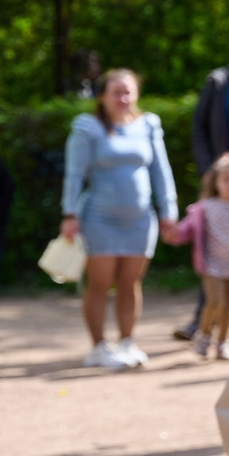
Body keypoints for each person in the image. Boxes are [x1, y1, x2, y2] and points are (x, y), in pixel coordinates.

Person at [62, 66, 179, 370]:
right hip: (100, 219)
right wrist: (69, 213)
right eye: (116, 92)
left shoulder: (148, 125)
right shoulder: (88, 127)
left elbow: (160, 171)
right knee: (99, 283)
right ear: (102, 97)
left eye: (127, 91)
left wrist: (169, 211)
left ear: (136, 94)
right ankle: (99, 347)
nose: (123, 98)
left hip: (141, 220)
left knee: (131, 283)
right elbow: (74, 174)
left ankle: (127, 342)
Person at [175, 64, 229, 340]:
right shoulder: (217, 81)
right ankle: (202, 321)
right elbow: (199, 128)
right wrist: (209, 171)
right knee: (214, 247)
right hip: (220, 178)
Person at [187, 155, 229, 359]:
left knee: (228, 306)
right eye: (226, 180)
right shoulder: (206, 207)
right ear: (216, 181)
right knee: (216, 302)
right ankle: (204, 335)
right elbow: (188, 228)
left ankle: (222, 342)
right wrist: (174, 233)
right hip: (213, 265)